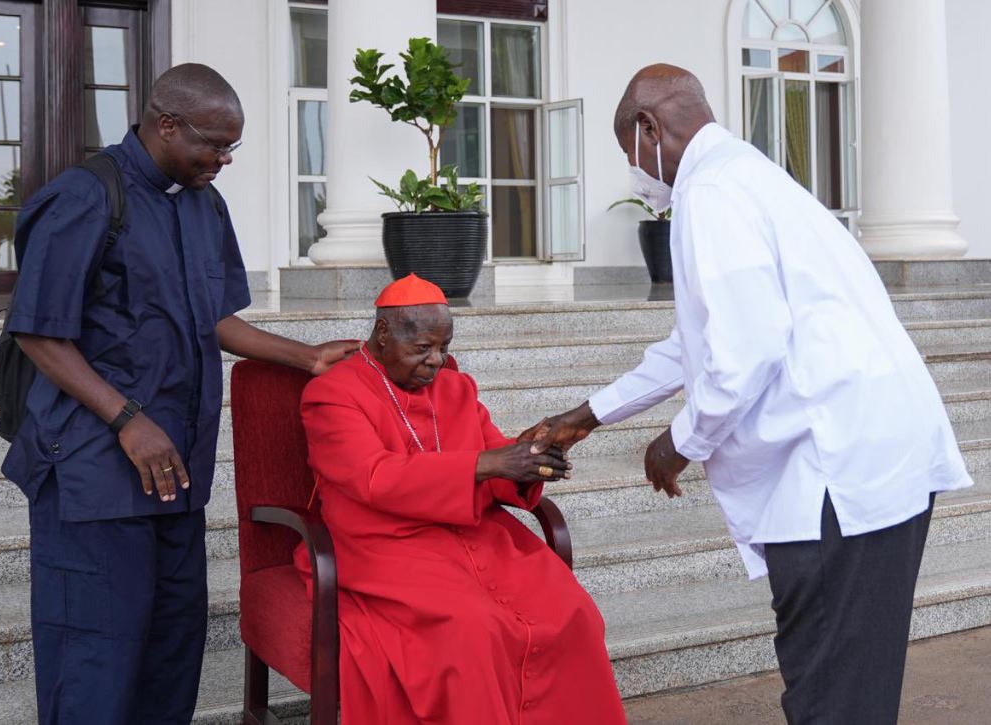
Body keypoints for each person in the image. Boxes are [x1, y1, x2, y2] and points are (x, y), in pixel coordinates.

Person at [524, 64, 973, 725]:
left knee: (830, 689)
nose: (637, 173)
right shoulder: (749, 176)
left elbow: (745, 350)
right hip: (878, 456)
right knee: (850, 678)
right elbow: (696, 339)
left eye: (630, 155)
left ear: (649, 128)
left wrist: (678, 443)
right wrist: (587, 414)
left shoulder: (711, 194)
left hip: (836, 474)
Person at [2, 63, 358, 724]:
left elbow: (214, 317)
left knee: (171, 656)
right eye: (213, 145)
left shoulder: (203, 202)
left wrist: (305, 356)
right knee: (95, 662)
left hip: (176, 475)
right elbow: (38, 332)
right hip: (92, 478)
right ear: (166, 123)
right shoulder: (84, 196)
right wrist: (127, 419)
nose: (222, 160)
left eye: (231, 148)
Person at [294, 273, 627, 725]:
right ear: (384, 334)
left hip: (475, 536)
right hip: (384, 546)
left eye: (444, 348)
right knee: (471, 628)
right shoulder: (333, 393)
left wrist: (531, 457)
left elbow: (496, 458)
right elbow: (373, 477)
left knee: (573, 611)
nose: (436, 362)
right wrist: (488, 464)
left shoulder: (457, 389)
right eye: (423, 349)